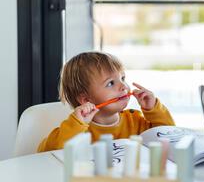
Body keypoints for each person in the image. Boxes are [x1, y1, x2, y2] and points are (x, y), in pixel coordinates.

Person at [38, 52, 175, 152]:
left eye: (122, 78)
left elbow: (170, 137)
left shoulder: (135, 120)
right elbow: (46, 153)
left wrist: (153, 109)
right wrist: (76, 124)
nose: (124, 86)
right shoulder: (76, 130)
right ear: (86, 99)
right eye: (110, 83)